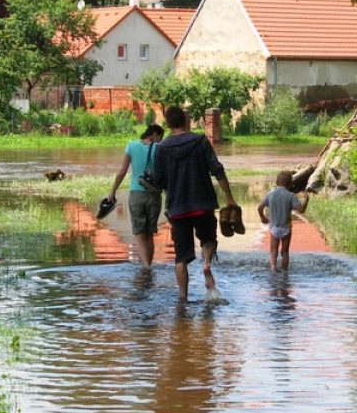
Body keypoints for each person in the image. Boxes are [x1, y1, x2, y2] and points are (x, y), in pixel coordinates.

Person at [152, 106, 237, 301]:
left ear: (168, 124)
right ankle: (206, 263)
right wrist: (229, 197)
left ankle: (183, 298)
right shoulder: (200, 141)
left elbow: (158, 181)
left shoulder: (162, 148)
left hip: (177, 208)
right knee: (209, 239)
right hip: (203, 204)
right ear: (185, 121)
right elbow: (217, 170)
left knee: (181, 257)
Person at [107, 124, 165, 270]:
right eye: (160, 137)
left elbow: (122, 171)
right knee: (150, 233)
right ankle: (148, 265)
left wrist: (113, 191)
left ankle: (145, 267)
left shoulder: (131, 146)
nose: (160, 141)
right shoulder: (160, 149)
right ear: (154, 134)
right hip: (154, 194)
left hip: (136, 195)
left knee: (140, 233)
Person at [257, 171, 309, 272]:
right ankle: (284, 271)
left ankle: (273, 267)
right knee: (285, 252)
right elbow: (301, 210)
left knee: (273, 251)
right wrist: (306, 200)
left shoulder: (270, 194)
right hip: (286, 228)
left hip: (273, 228)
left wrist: (263, 217)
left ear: (276, 182)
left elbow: (260, 207)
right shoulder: (291, 196)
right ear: (290, 184)